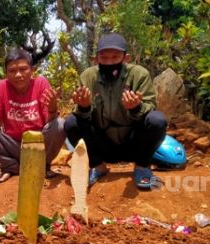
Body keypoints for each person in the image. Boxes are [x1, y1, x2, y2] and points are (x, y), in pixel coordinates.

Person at [65, 33, 167, 189]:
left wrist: (136, 107)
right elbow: (80, 116)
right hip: (102, 145)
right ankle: (97, 166)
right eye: (104, 58)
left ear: (126, 58)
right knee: (71, 122)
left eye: (115, 57)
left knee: (157, 120)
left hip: (133, 144)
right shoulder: (88, 76)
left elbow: (150, 105)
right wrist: (84, 106)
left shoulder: (139, 74)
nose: (109, 62)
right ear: (96, 59)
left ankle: (142, 167)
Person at [0, 48, 66, 183]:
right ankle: (11, 166)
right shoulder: (2, 87)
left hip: (38, 145)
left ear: (32, 70)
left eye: (23, 69)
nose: (18, 75)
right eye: (12, 71)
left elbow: (49, 123)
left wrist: (52, 108)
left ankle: (43, 166)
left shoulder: (41, 83)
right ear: (6, 73)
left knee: (60, 124)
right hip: (13, 145)